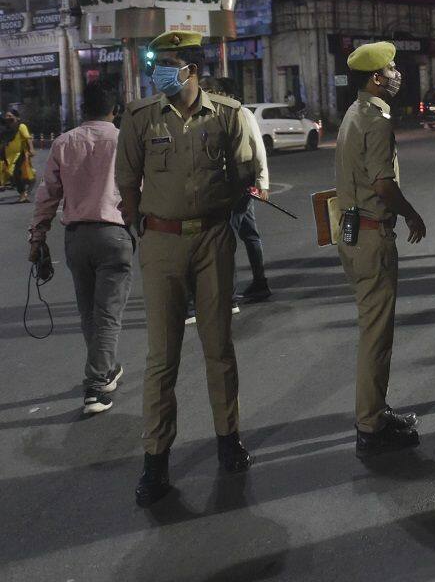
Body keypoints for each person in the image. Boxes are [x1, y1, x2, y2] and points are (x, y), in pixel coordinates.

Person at [115, 30, 258, 507]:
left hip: (214, 238)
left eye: (169, 62)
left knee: (219, 347)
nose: (159, 70)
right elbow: (127, 181)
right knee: (162, 358)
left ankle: (228, 439)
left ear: (192, 69)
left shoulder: (228, 115)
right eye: (156, 62)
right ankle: (155, 460)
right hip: (160, 243)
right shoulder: (139, 117)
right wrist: (147, 227)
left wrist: (217, 214)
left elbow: (245, 175)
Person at [336, 40, 427, 460]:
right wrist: (411, 214)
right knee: (376, 335)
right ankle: (370, 427)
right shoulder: (376, 121)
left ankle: (375, 410)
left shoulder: (354, 114)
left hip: (354, 234)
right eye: (391, 69)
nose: (396, 74)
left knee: (373, 330)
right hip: (373, 235)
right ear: (376, 78)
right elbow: (382, 184)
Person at [28, 80, 132, 415]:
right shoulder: (123, 140)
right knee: (107, 315)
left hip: (76, 239)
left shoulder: (63, 142)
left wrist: (37, 237)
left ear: (82, 109)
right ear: (114, 110)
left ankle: (107, 368)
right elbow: (140, 189)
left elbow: (47, 194)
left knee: (90, 312)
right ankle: (96, 387)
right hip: (113, 235)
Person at [201, 77, 272, 303]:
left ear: (219, 92)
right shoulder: (214, 115)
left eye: (208, 90)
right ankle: (260, 283)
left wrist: (262, 183)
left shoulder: (242, 113)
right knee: (249, 232)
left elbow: (258, 150)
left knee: (226, 236)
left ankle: (228, 295)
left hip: (241, 182)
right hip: (228, 183)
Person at [3, 108, 36, 202]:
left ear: (17, 117)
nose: (8, 118)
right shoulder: (6, 128)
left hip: (19, 153)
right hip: (8, 155)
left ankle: (23, 194)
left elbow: (28, 138)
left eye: (10, 116)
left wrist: (32, 149)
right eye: (6, 116)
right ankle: (26, 184)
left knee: (15, 173)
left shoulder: (21, 126)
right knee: (9, 174)